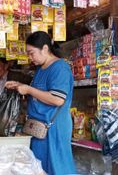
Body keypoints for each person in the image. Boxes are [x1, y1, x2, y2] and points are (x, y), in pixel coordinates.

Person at [5, 31, 76, 174]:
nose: (30, 57)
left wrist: (29, 90)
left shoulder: (60, 67)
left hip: (53, 128)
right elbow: (39, 93)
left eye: (32, 53)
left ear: (44, 49)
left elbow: (57, 99)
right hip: (38, 129)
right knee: (40, 168)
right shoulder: (40, 69)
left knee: (57, 167)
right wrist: (19, 86)